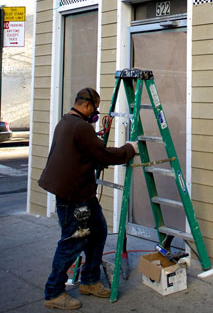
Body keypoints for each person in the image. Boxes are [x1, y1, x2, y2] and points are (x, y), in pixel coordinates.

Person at [39, 87, 139, 310]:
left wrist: (93, 147)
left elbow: (81, 154)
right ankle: (54, 292)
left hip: (81, 192)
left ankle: (90, 280)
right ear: (85, 105)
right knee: (73, 241)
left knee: (98, 231)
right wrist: (129, 149)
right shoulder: (81, 127)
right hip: (74, 196)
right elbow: (104, 155)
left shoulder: (66, 122)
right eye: (95, 108)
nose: (96, 113)